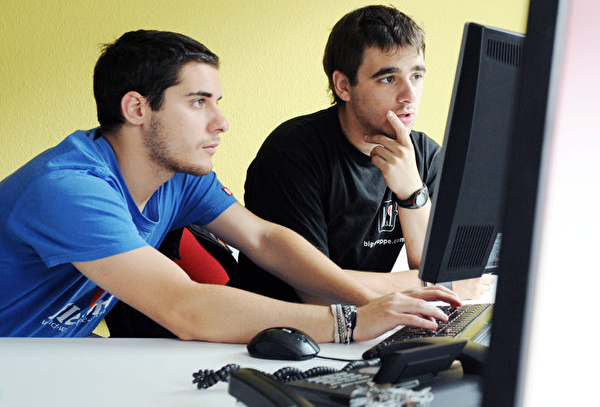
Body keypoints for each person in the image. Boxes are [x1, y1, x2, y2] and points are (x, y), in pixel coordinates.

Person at [0, 29, 460, 341]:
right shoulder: (70, 190)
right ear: (137, 109)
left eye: (216, 101)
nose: (221, 122)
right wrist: (350, 322)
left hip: (48, 354)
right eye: (198, 102)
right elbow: (185, 308)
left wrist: (376, 304)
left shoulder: (180, 178)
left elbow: (265, 239)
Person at [229, 5, 494, 304]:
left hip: (366, 320)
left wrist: (412, 192)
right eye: (388, 79)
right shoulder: (291, 154)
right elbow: (316, 292)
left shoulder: (423, 154)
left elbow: (433, 266)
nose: (409, 95)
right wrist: (432, 282)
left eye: (416, 76)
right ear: (344, 86)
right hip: (280, 325)